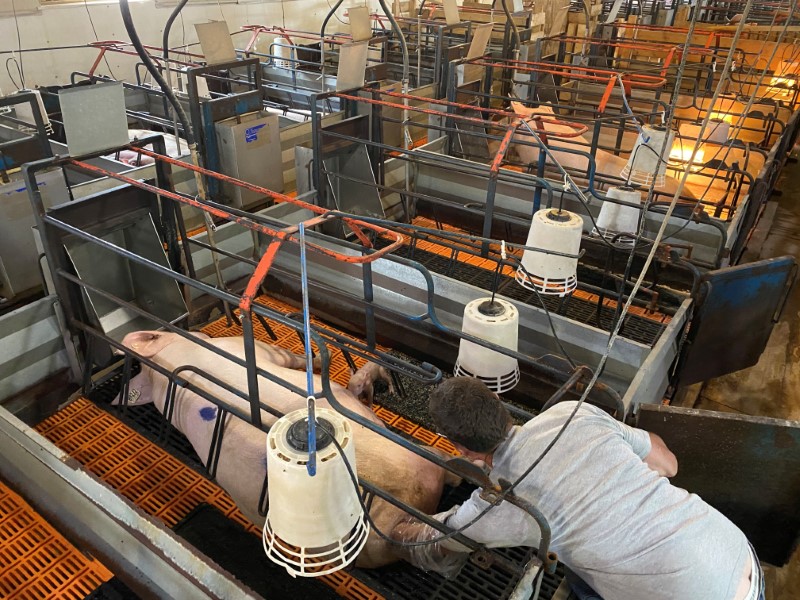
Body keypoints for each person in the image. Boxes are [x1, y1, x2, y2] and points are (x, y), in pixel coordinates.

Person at [390, 377, 765, 600]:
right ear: (499, 402)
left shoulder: (500, 505)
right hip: (734, 549)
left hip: (693, 594)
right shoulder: (575, 413)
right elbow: (669, 464)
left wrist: (392, 528)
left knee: (578, 578)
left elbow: (434, 538)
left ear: (462, 449)